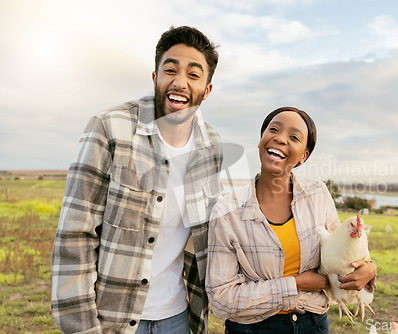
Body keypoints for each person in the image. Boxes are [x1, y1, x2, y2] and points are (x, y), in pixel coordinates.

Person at [51, 26, 223, 334]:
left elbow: (211, 236)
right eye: (170, 70)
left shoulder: (211, 146)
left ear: (206, 90)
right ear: (156, 78)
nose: (180, 82)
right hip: (112, 320)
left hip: (180, 318)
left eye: (194, 75)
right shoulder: (110, 128)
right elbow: (74, 238)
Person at [206, 107, 377, 334]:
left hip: (313, 325)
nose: (280, 138)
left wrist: (370, 270)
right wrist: (296, 284)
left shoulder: (317, 194)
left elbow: (343, 253)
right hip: (252, 329)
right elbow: (221, 299)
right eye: (273, 129)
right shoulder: (227, 211)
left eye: (294, 137)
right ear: (261, 140)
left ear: (303, 156)